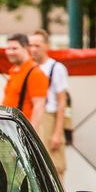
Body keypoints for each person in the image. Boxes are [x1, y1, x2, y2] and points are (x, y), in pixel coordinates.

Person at [29, 29, 71, 182]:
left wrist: (58, 133)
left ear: (46, 46)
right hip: (34, 117)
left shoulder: (56, 68)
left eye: (37, 45)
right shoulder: (30, 67)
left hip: (50, 118)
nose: (33, 49)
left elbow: (62, 101)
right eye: (30, 45)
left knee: (55, 167)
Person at [1, 33, 48, 134]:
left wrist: (30, 135)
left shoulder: (35, 72)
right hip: (10, 129)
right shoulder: (14, 70)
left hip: (22, 132)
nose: (10, 52)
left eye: (14, 48)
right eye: (8, 48)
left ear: (26, 48)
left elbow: (39, 106)